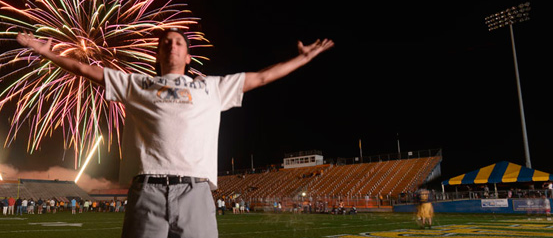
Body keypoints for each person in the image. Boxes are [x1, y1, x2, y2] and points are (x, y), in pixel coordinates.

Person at [17, 28, 334, 237]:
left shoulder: (210, 87)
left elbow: (262, 77)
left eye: (179, 42)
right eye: (165, 43)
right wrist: (46, 52)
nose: (172, 45)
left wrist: (302, 59)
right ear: (156, 56)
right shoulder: (137, 84)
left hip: (194, 192)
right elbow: (86, 70)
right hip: (147, 193)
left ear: (188, 57)